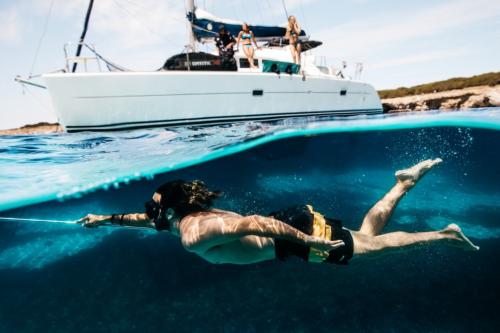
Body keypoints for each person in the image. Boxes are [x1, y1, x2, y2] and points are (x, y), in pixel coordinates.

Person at [79, 159, 479, 265]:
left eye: (154, 207)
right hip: (292, 225)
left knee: (377, 249)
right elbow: (140, 219)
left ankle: (444, 234)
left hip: (293, 236)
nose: (149, 213)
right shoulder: (182, 220)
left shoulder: (190, 234)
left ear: (170, 209)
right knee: (366, 236)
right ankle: (403, 184)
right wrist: (104, 220)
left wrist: (308, 241)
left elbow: (252, 223)